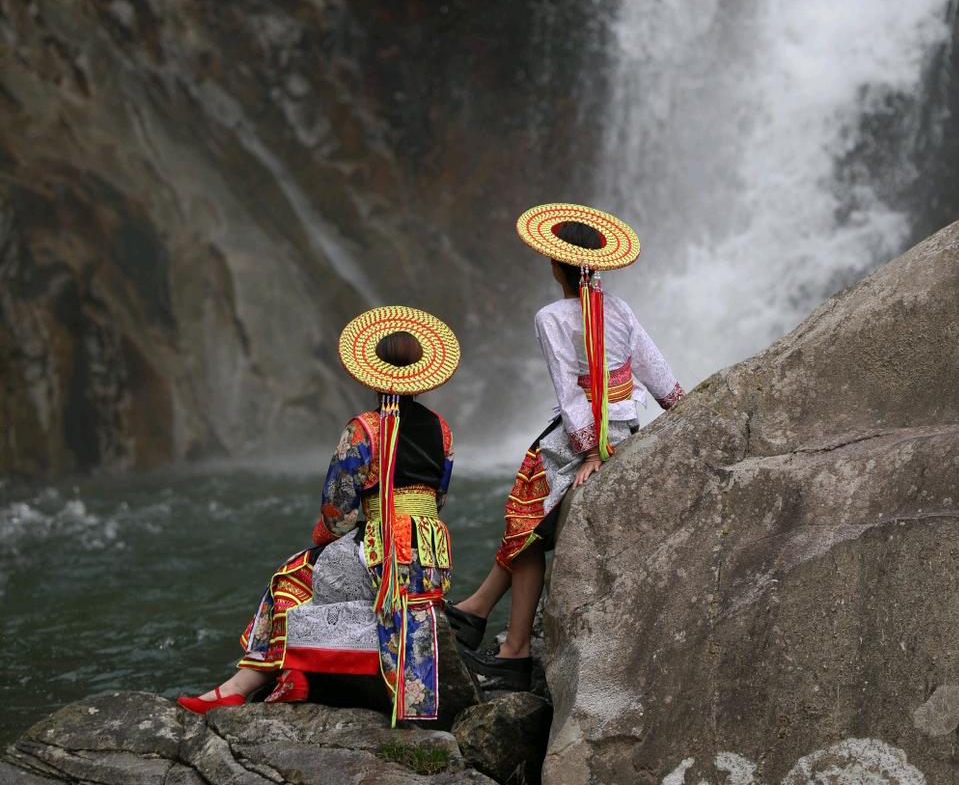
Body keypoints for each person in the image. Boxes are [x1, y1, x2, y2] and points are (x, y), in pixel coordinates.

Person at [176, 305, 460, 724]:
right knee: (319, 571)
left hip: (382, 553)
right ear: (420, 375)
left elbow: (336, 512)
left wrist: (325, 536)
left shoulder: (364, 429)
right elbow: (438, 499)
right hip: (431, 557)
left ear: (372, 374)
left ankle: (250, 684)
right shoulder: (442, 429)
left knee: (293, 574)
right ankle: (293, 674)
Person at [447, 204, 685, 686]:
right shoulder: (618, 308)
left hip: (590, 437)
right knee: (526, 522)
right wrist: (681, 413)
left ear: (555, 265)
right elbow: (656, 370)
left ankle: (512, 651)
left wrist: (592, 451)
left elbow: (569, 391)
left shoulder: (552, 317)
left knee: (526, 525)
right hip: (624, 424)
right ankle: (474, 612)